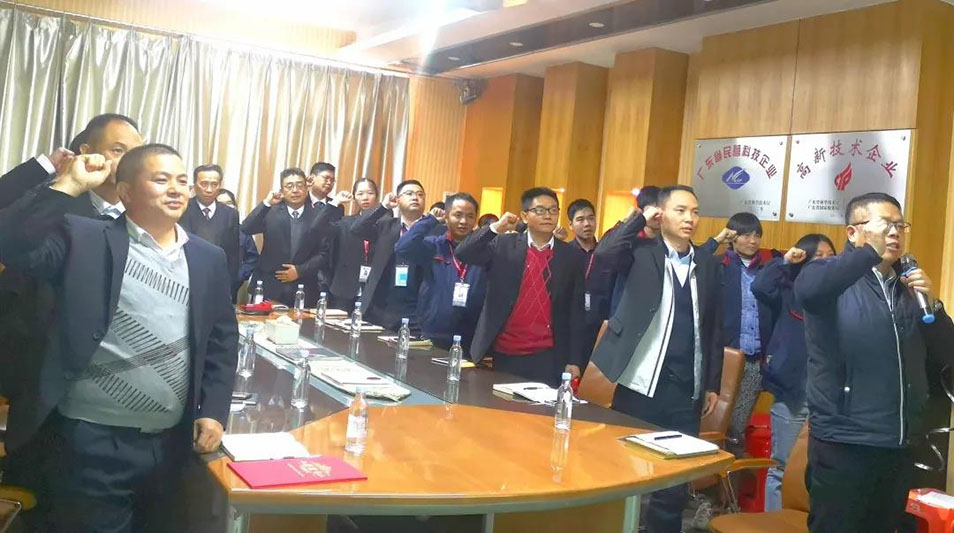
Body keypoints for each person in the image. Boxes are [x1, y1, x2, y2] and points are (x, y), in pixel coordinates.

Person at [0, 146, 238, 531]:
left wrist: (213, 409)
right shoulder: (86, 237)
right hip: (89, 441)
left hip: (172, 445)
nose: (176, 189)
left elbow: (222, 340)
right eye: (160, 179)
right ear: (126, 192)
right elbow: (10, 243)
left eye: (182, 181)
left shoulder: (207, 257)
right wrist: (68, 185)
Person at [794, 193, 954, 533]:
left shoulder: (907, 288)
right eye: (884, 225)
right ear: (853, 232)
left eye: (900, 225)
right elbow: (808, 292)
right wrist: (869, 253)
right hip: (845, 441)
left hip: (898, 443)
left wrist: (934, 306)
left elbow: (947, 353)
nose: (894, 233)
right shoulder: (825, 275)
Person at [591, 185, 722, 533]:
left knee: (674, 481)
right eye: (680, 210)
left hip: (686, 387)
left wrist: (711, 382)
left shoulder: (707, 263)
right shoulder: (642, 252)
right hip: (640, 380)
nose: (690, 218)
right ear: (661, 213)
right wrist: (639, 219)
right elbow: (603, 255)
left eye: (694, 211)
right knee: (623, 468)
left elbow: (714, 327)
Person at [456, 187, 586, 387]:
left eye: (553, 210)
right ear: (525, 216)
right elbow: (464, 252)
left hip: (548, 356)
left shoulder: (571, 256)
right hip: (503, 352)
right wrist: (495, 228)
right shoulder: (504, 244)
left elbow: (576, 312)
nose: (548, 216)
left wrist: (574, 359)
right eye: (540, 210)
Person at [751, 234, 835, 512]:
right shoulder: (788, 289)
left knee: (821, 470)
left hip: (828, 395)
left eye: (830, 256)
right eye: (818, 256)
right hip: (793, 391)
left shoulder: (839, 294)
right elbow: (759, 286)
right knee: (782, 466)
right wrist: (784, 261)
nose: (826, 261)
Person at [704, 212, 781, 456]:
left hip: (755, 357)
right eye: (746, 235)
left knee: (737, 425)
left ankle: (732, 476)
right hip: (724, 356)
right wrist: (717, 240)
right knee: (712, 420)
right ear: (733, 237)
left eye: (757, 235)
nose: (753, 241)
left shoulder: (768, 269)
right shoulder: (717, 265)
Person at [395, 192, 487, 350]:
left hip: (471, 333)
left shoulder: (484, 250)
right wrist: (430, 220)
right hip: (434, 330)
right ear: (447, 216)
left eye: (470, 216)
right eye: (458, 215)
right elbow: (403, 247)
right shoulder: (434, 246)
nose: (464, 221)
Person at [240, 168, 341, 307]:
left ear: (307, 188)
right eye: (289, 186)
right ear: (282, 190)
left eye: (299, 185)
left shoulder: (319, 215)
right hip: (269, 285)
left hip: (304, 287)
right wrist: (266, 203)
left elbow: (325, 253)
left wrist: (300, 271)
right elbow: (246, 228)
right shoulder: (270, 211)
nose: (295, 190)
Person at [350, 179, 429, 331]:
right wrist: (383, 207)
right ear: (398, 200)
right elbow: (356, 229)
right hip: (381, 307)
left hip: (416, 309)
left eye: (420, 194)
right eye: (409, 193)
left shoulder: (434, 230)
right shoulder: (386, 225)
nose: (415, 197)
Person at [179, 164, 241, 296]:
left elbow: (233, 254)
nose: (209, 189)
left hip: (218, 281)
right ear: (194, 185)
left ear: (220, 185)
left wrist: (230, 285)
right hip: (186, 279)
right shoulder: (181, 208)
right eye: (204, 184)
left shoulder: (230, 214)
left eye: (214, 184)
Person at [566, 198, 611, 369]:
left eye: (591, 218)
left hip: (600, 326)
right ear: (571, 224)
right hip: (571, 327)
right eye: (580, 219)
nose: (587, 224)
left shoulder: (605, 253)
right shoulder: (565, 253)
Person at [328, 178, 380, 312]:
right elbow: (320, 230)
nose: (365, 198)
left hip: (375, 291)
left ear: (377, 195)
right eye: (360, 194)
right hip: (345, 288)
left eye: (370, 193)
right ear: (354, 197)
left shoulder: (386, 224)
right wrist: (336, 202)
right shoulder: (346, 223)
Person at [609, 185, 661, 316]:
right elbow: (606, 250)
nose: (656, 215)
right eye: (652, 210)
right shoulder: (629, 241)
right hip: (626, 311)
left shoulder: (668, 243)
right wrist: (628, 221)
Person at [215, 188, 260, 294]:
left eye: (229, 203)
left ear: (235, 206)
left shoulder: (243, 231)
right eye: (221, 204)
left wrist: (239, 275)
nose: (226, 207)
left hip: (232, 287)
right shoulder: (206, 229)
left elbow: (253, 258)